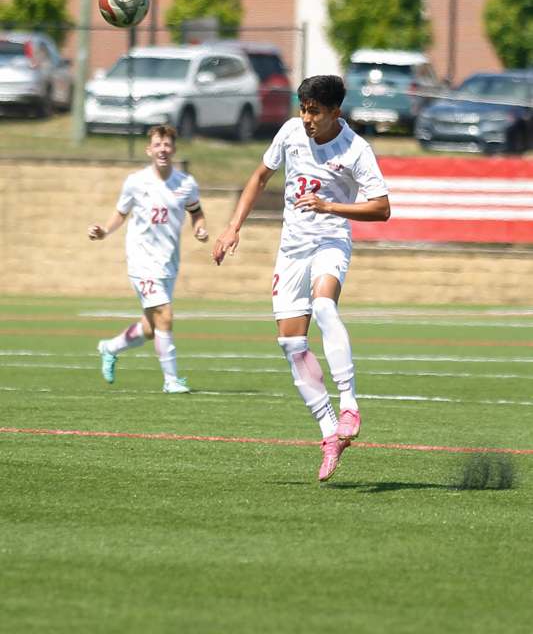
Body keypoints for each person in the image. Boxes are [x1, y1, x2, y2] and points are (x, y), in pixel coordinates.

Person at [212, 75, 390, 481]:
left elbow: (381, 209)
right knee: (292, 345)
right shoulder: (291, 131)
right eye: (303, 109)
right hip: (291, 250)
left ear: (335, 113)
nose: (307, 118)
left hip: (330, 242)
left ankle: (349, 406)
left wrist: (329, 207)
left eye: (315, 112)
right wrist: (233, 227)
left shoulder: (356, 150)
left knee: (325, 305)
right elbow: (260, 177)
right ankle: (330, 434)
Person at [88, 124, 209, 394]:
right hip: (141, 261)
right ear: (149, 149)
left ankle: (110, 347)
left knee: (151, 327)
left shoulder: (186, 183)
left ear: (174, 149)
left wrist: (199, 228)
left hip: (168, 262)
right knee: (165, 315)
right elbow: (121, 213)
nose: (162, 149)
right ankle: (171, 380)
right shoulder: (136, 182)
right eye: (157, 145)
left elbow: (196, 212)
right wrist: (104, 231)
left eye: (167, 145)